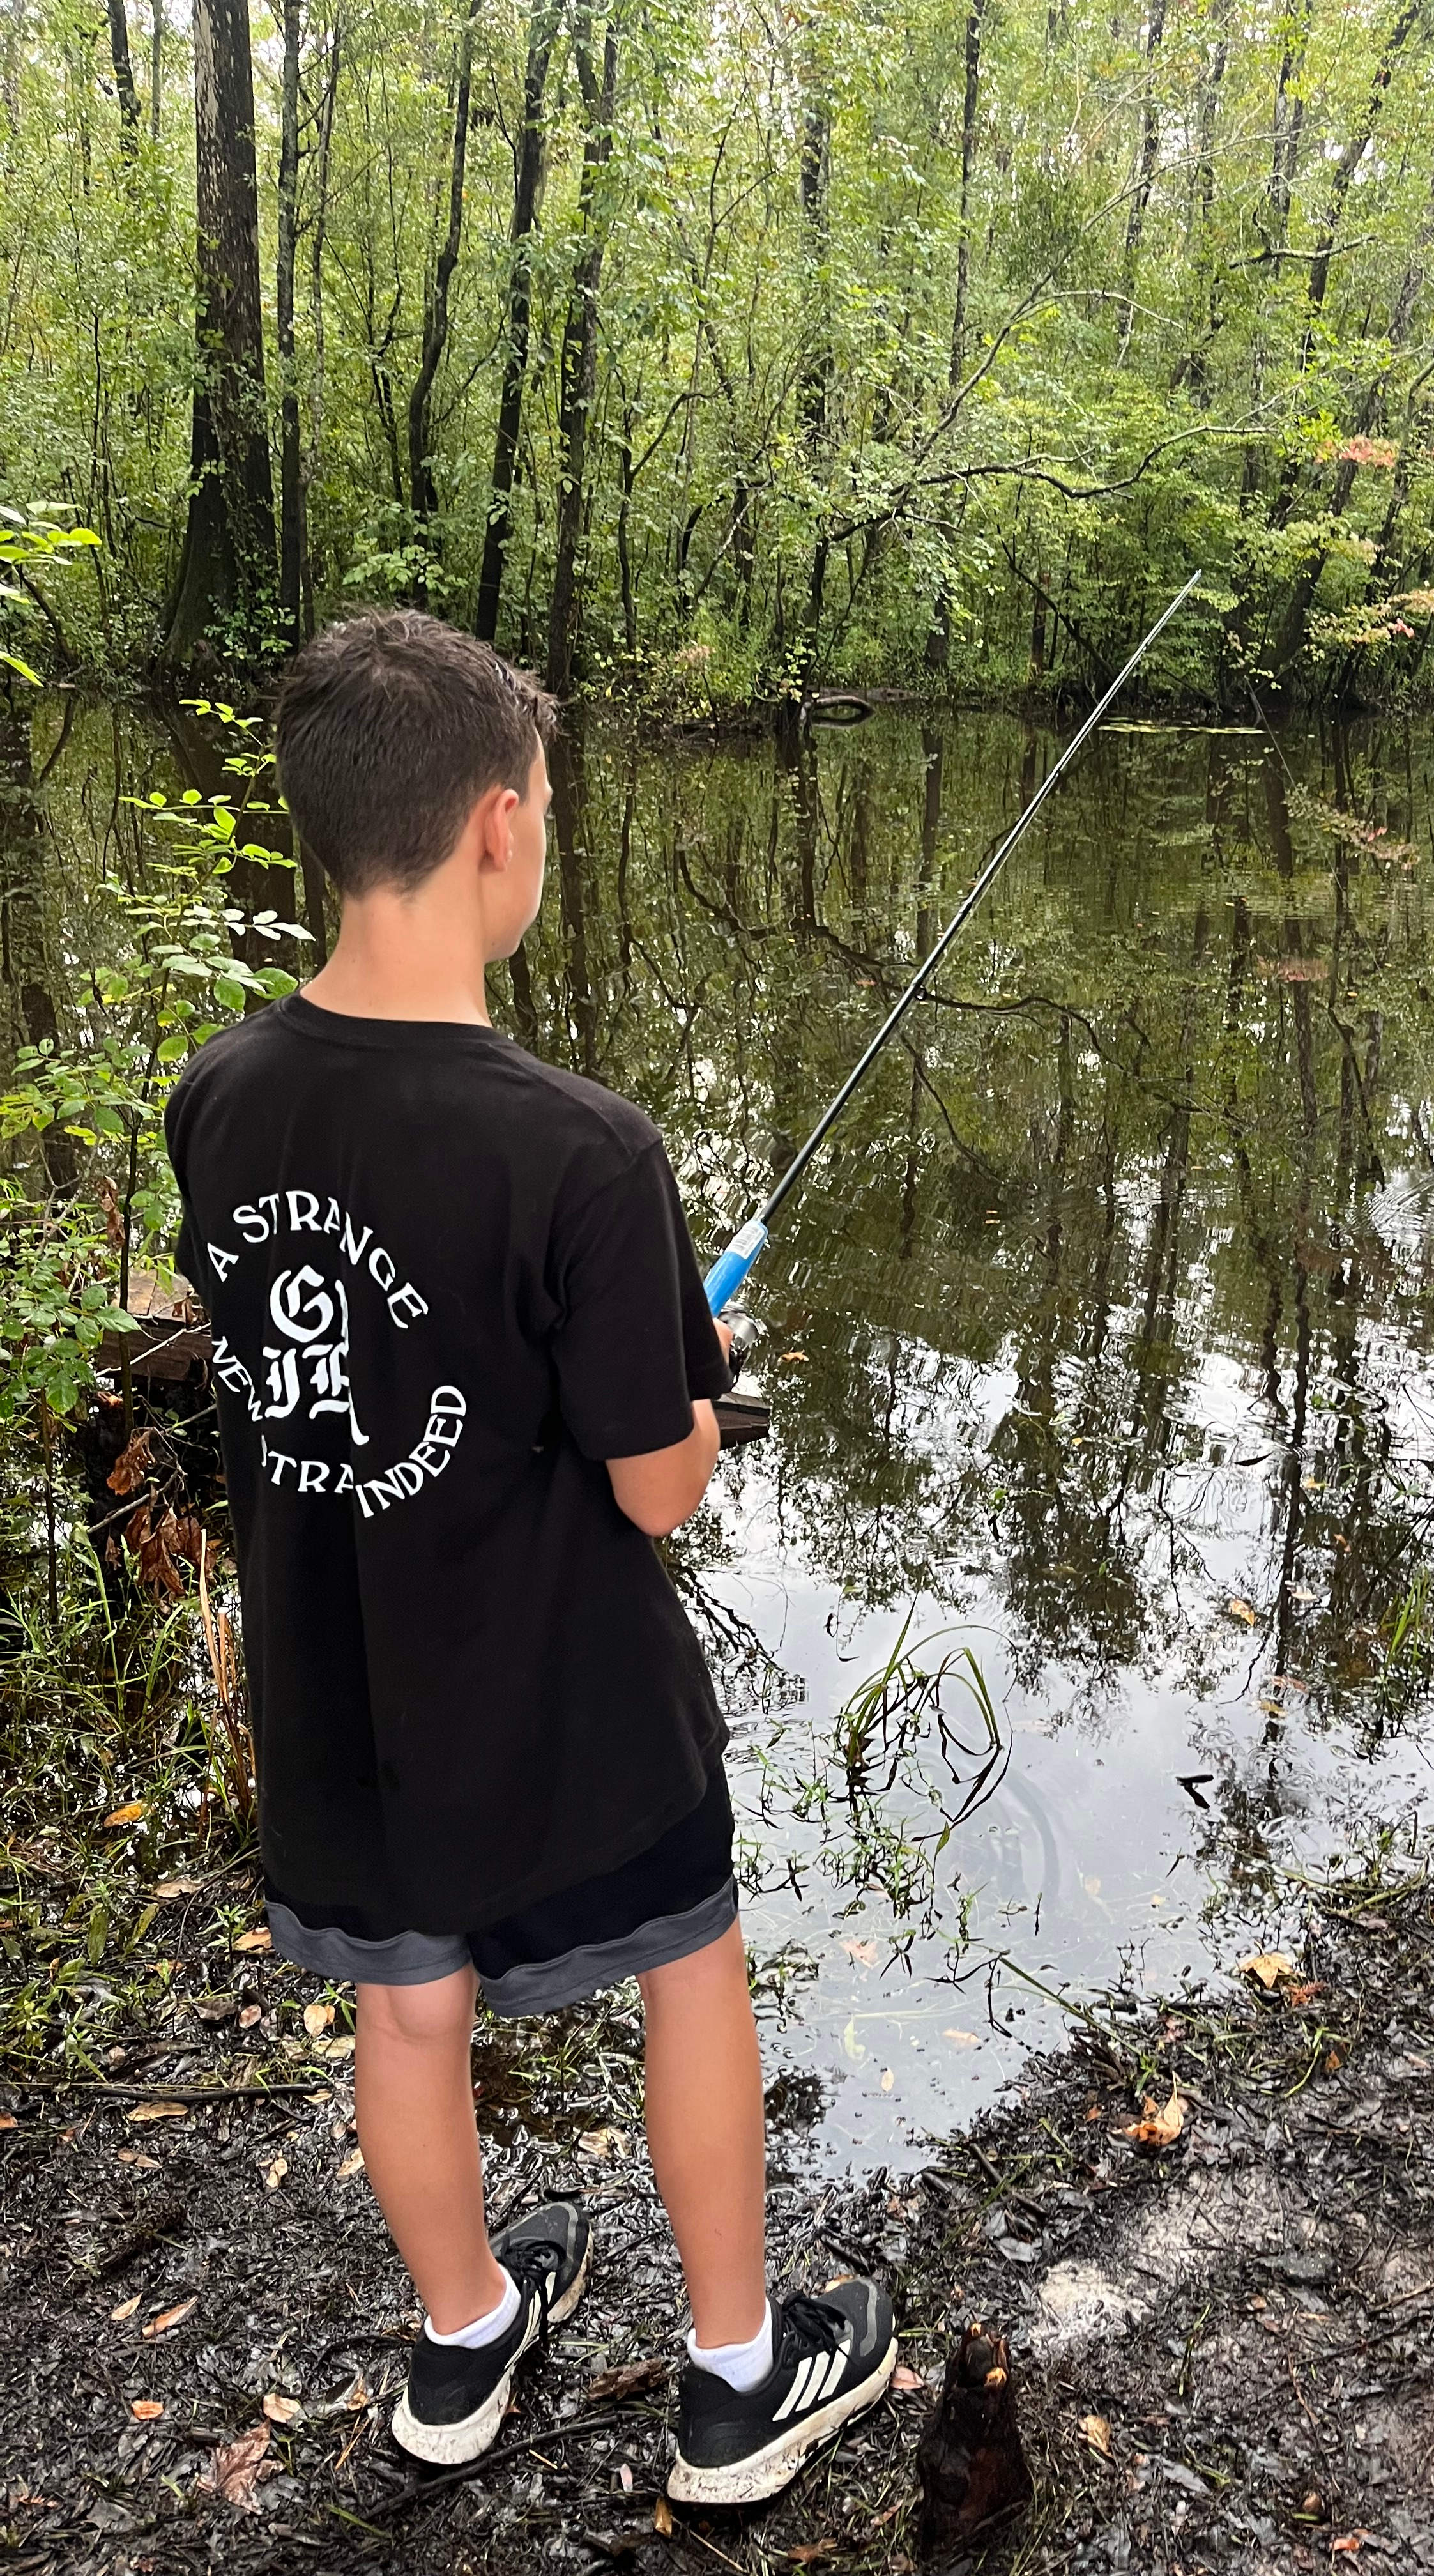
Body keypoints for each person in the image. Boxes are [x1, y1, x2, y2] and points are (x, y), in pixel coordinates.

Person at [164, 611, 894, 2500]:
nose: (545, 841)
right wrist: (698, 1386)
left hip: (348, 1702)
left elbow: (353, 1357)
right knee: (693, 1968)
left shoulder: (220, 1100)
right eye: (549, 810)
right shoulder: (584, 1149)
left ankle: (465, 2340)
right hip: (563, 1704)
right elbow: (655, 1486)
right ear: (500, 826)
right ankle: (737, 2382)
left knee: (408, 2013)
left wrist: (656, 1335)